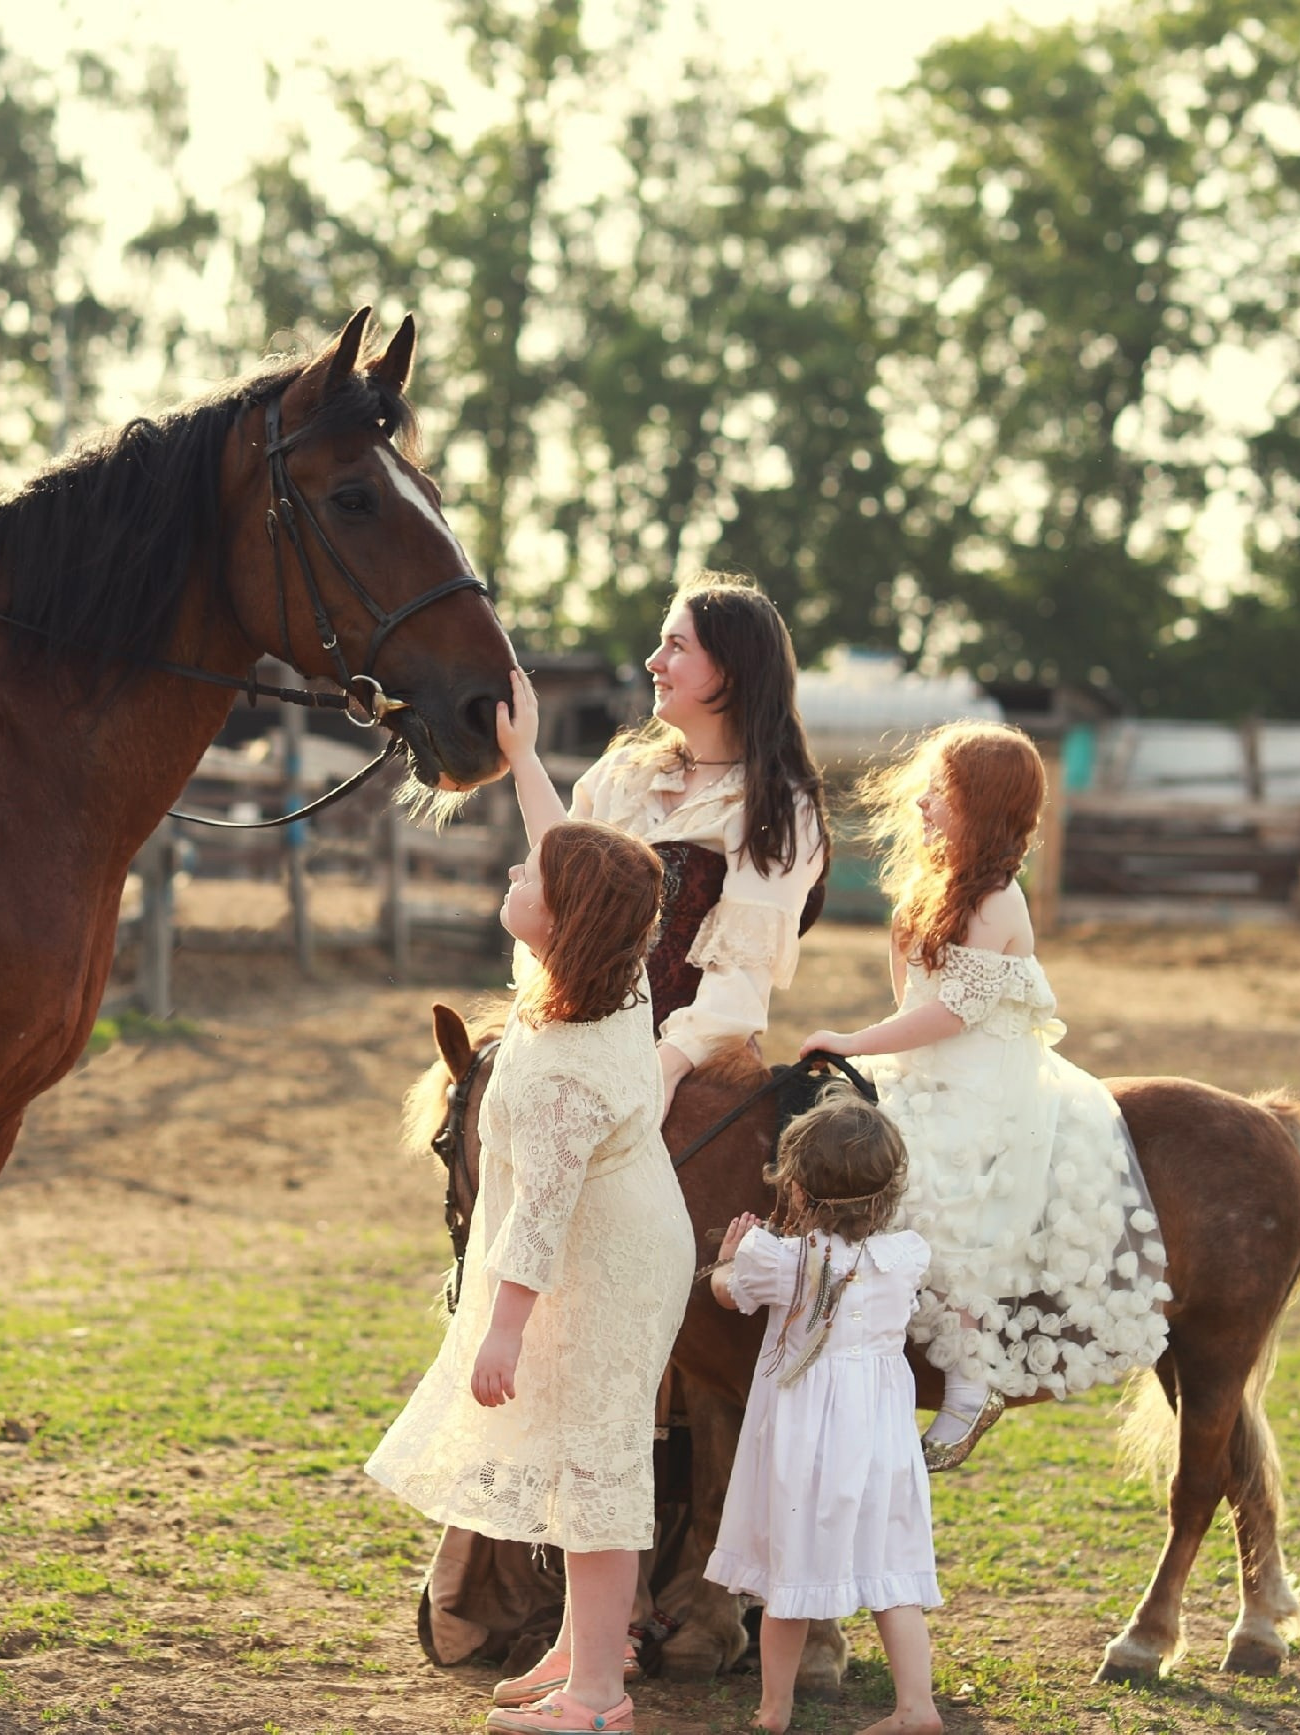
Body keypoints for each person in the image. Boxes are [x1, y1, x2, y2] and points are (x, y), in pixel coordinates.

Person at [367, 670, 695, 1735]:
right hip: (632, 1232)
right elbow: (575, 855)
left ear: (557, 922)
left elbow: (538, 1217)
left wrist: (501, 1330)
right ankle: (577, 1650)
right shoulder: (611, 975)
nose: (517, 867)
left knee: (596, 1463)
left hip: (597, 1259)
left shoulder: (556, 1068)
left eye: (528, 876)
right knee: (579, 1453)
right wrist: (525, 761)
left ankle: (598, 1696)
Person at [798, 722, 1171, 1470]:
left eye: (943, 792)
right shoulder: (929, 891)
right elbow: (912, 999)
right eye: (927, 787)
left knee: (940, 1191)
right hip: (930, 1070)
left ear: (987, 807)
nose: (924, 802)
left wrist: (851, 1040)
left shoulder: (999, 900)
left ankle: (971, 1385)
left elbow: (950, 1013)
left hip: (987, 1083)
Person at [702, 1088, 943, 1735]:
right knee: (892, 1576)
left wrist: (729, 1257)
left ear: (798, 1188)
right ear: (890, 1191)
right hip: (880, 1442)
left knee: (790, 1575)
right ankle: (916, 1707)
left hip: (805, 1445)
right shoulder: (906, 1255)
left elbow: (729, 1294)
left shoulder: (781, 1258)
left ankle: (774, 1708)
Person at [564, 577, 829, 1119]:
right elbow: (556, 883)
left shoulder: (777, 805)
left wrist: (665, 1066)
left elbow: (740, 973)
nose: (653, 661)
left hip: (689, 1070)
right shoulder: (622, 775)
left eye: (677, 646)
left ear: (732, 668)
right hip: (576, 1034)